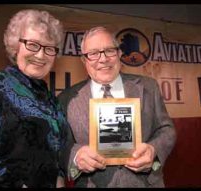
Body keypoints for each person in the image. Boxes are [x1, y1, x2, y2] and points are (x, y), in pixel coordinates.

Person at [58, 26, 176, 187]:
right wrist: (76, 155)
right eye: (93, 53)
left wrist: (153, 150)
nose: (103, 59)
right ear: (84, 60)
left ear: (119, 54)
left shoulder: (149, 87)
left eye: (109, 50)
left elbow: (166, 129)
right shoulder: (66, 99)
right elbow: (60, 144)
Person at [0, 9, 73, 188]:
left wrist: (59, 178)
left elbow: (55, 155)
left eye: (49, 48)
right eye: (32, 44)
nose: (40, 55)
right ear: (15, 46)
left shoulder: (51, 100)